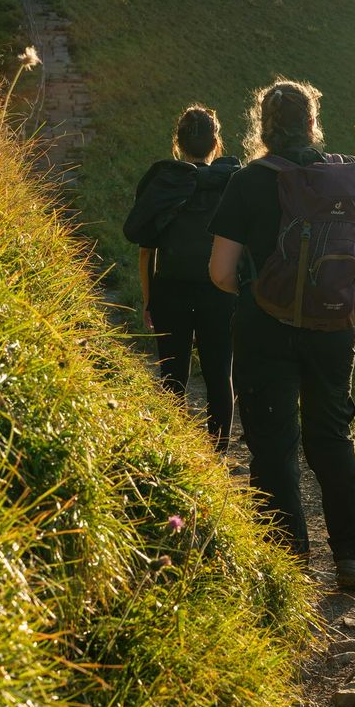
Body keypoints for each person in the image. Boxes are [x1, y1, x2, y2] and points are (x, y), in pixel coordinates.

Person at [208, 78, 355, 590]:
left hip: (265, 325)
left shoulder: (247, 181)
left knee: (273, 441)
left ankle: (288, 560)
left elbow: (220, 271)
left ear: (262, 126)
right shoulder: (344, 176)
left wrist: (251, 293)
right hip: (333, 325)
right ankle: (350, 555)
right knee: (331, 434)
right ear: (312, 123)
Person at [123, 104, 240, 452]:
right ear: (215, 142)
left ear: (178, 142)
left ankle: (175, 453)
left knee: (172, 376)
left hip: (170, 292)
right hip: (219, 293)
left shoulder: (165, 181)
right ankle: (216, 456)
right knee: (220, 377)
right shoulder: (231, 181)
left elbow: (146, 250)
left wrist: (148, 301)